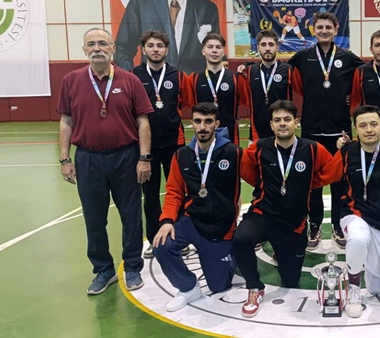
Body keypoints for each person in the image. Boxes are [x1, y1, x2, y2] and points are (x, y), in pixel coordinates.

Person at [288, 12, 380, 250]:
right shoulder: (302, 57)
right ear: (314, 30)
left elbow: (375, 67)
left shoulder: (348, 58)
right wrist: (245, 67)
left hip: (339, 130)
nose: (324, 31)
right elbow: (282, 72)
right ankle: (314, 225)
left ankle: (337, 225)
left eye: (329, 27)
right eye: (320, 27)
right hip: (311, 129)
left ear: (336, 30)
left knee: (340, 182)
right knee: (313, 181)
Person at [57, 28, 153, 294]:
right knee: (94, 218)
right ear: (84, 50)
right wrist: (65, 159)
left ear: (113, 48)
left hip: (126, 157)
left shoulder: (130, 80)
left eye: (102, 43)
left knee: (131, 217)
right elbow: (66, 121)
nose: (97, 48)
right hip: (88, 159)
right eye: (91, 44)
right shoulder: (71, 81)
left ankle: (132, 267)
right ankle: (103, 270)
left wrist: (144, 158)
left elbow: (143, 121)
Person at [234, 100, 337, 318]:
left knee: (290, 280)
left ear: (296, 122)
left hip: (294, 223)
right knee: (241, 238)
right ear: (271, 124)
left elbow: (331, 170)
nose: (282, 124)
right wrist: (262, 185)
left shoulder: (312, 148)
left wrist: (309, 183)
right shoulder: (260, 147)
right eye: (277, 120)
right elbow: (246, 170)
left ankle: (281, 250)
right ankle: (254, 287)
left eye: (287, 119)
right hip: (264, 215)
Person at [152, 102, 242, 312]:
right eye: (198, 121)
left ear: (216, 124)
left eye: (208, 121)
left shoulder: (234, 153)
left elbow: (257, 178)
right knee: (161, 245)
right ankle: (188, 287)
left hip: (221, 227)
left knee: (219, 286)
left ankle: (234, 252)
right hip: (191, 221)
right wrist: (167, 221)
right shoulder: (181, 155)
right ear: (191, 123)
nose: (202, 127)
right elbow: (174, 192)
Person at [332, 105, 380, 321]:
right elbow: (324, 175)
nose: (369, 129)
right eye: (363, 125)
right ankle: (353, 290)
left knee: (376, 287)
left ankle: (367, 266)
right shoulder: (347, 152)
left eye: (373, 124)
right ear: (356, 129)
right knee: (358, 238)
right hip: (354, 213)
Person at [132, 30, 192, 258]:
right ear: (143, 49)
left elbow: (185, 102)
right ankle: (153, 239)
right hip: (146, 148)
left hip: (174, 144)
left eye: (159, 46)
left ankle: (179, 238)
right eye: (151, 45)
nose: (155, 49)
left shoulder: (178, 75)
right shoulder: (135, 75)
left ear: (166, 50)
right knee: (150, 196)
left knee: (178, 192)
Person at [236, 30, 297, 142]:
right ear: (258, 48)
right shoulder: (250, 71)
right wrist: (245, 64)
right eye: (263, 45)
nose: (267, 48)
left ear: (277, 47)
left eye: (271, 44)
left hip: (283, 133)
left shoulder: (288, 70)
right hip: (256, 134)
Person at [187, 34, 245, 145]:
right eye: (210, 47)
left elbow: (246, 101)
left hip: (230, 136)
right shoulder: (194, 79)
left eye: (218, 47)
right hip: (203, 136)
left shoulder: (236, 78)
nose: (214, 50)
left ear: (223, 52)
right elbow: (189, 103)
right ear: (203, 51)